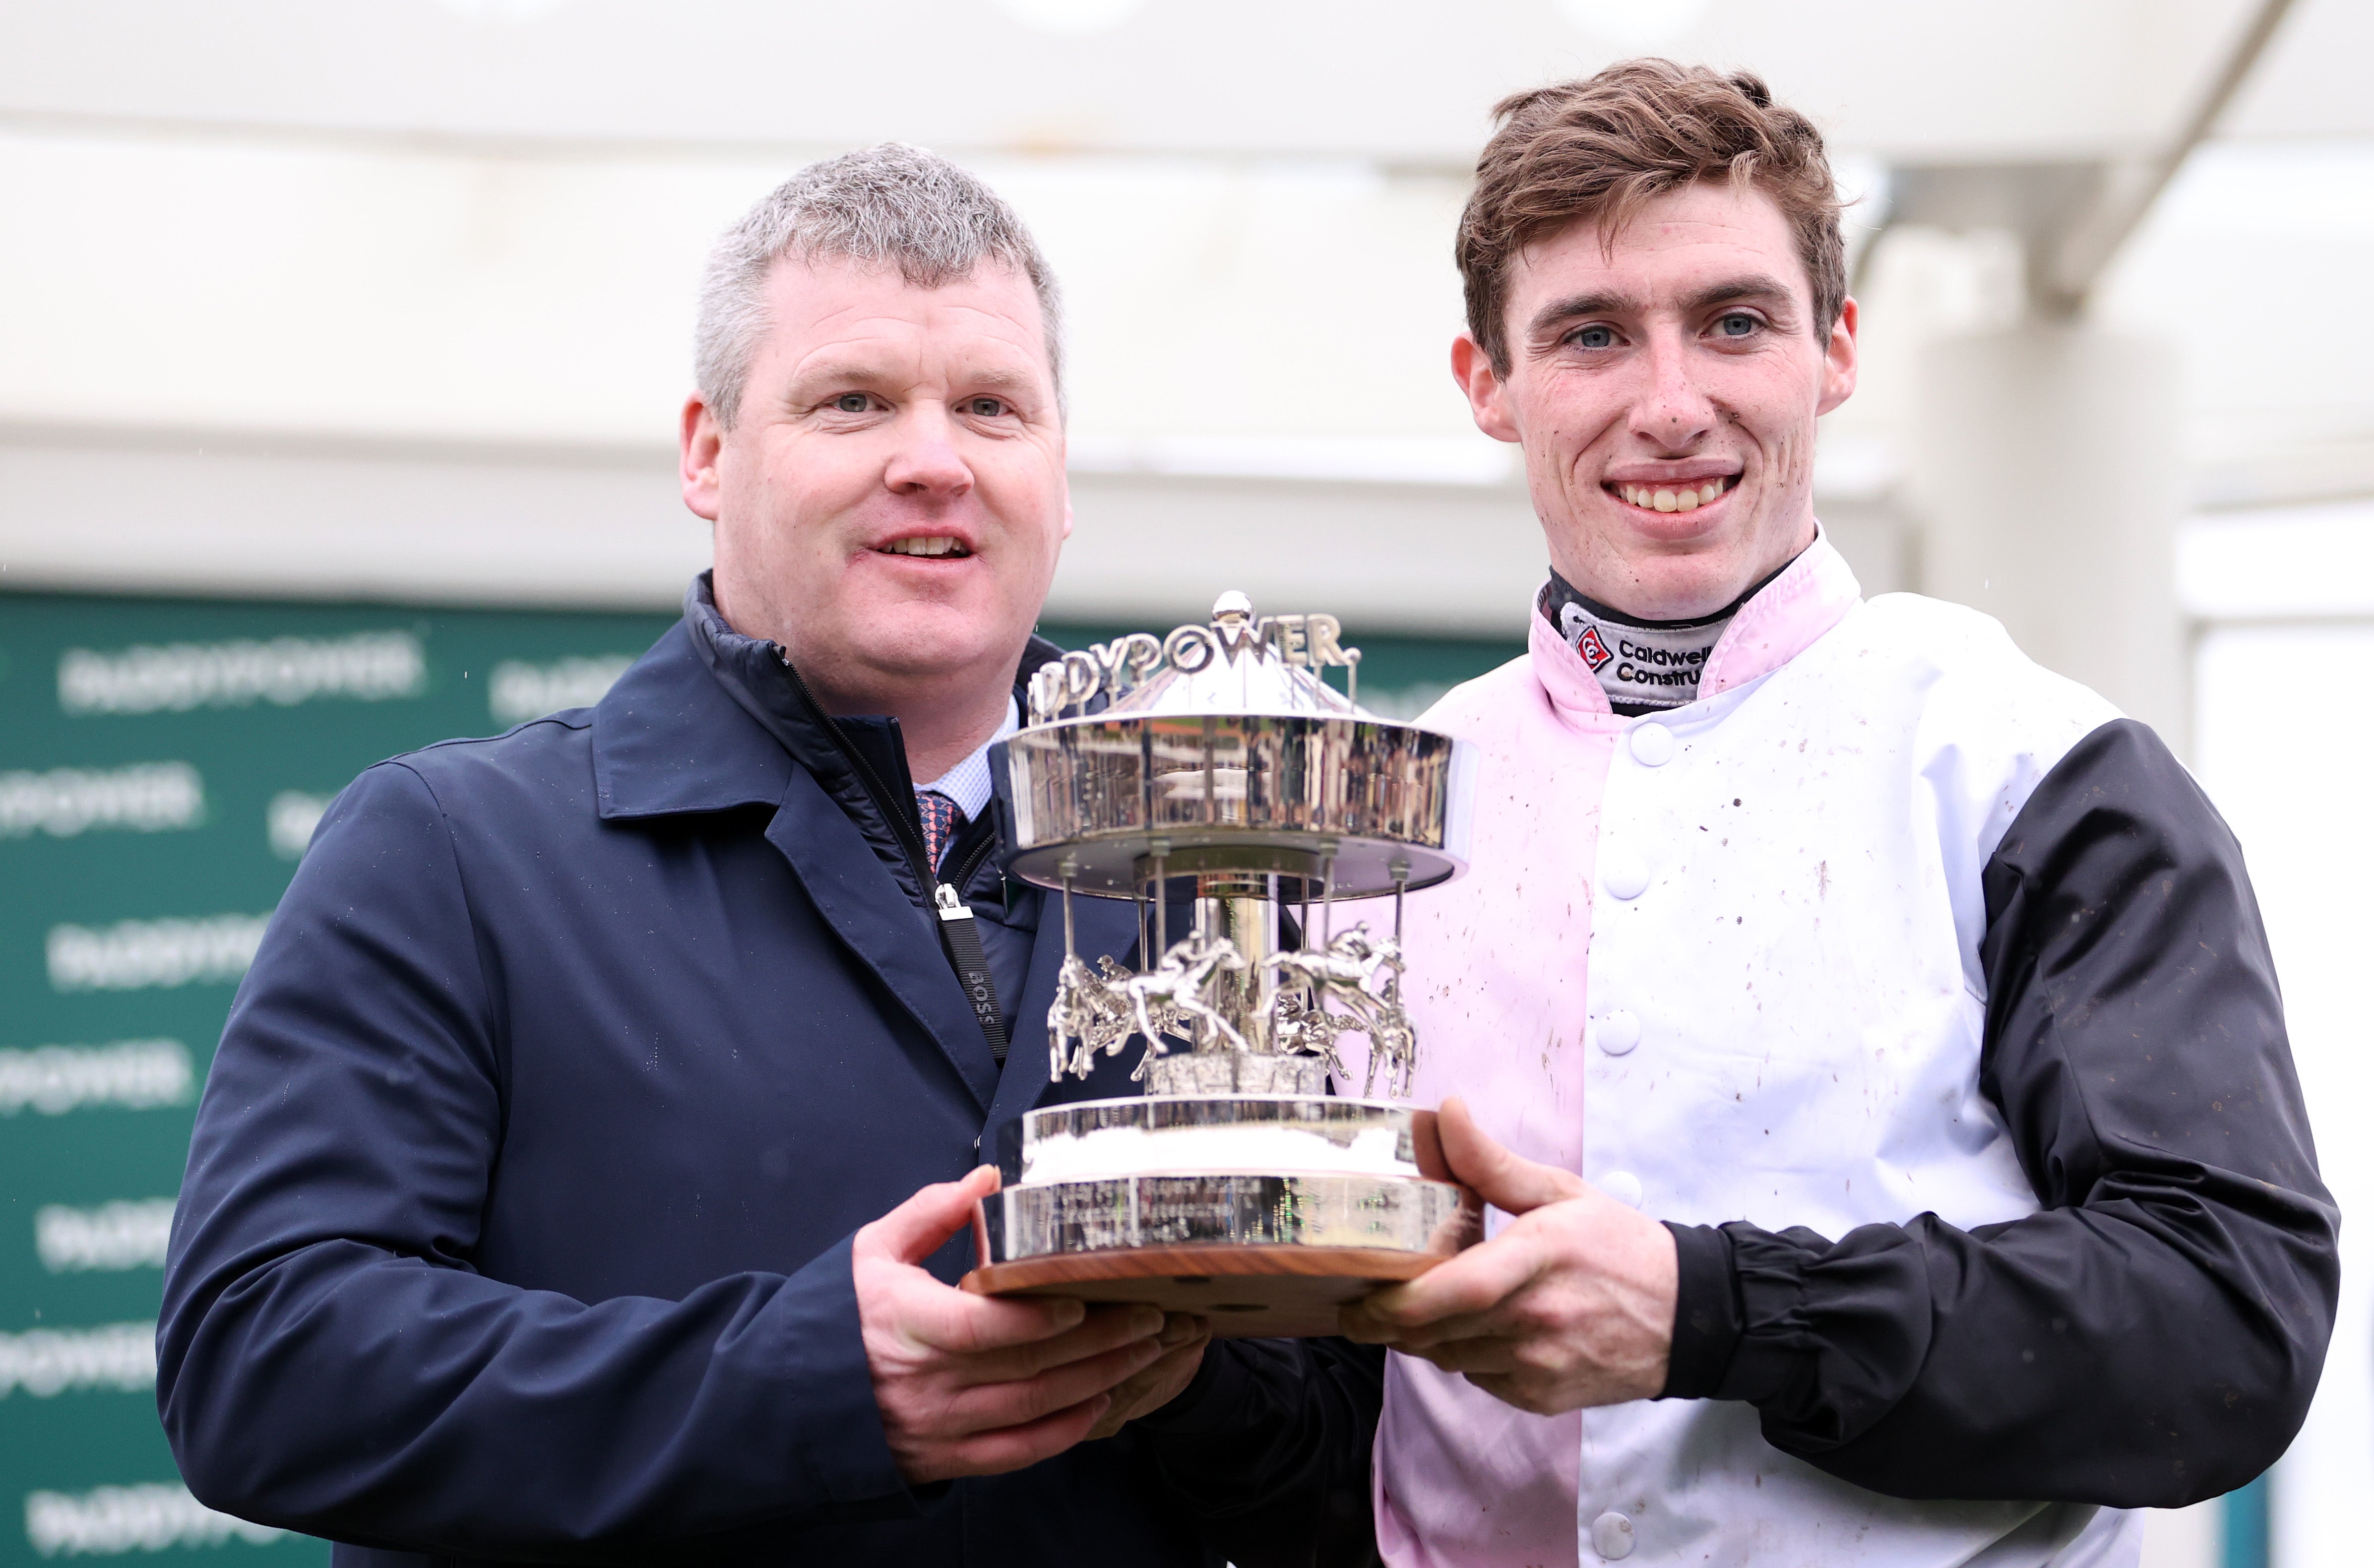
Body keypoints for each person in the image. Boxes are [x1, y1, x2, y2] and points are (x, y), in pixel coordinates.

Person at [158, 144, 1377, 1567]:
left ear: (1058, 473)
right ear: (707, 451)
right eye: (851, 401)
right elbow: (264, 1365)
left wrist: (1199, 1373)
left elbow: (1356, 1465)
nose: (932, 457)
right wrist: (811, 1379)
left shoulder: (1221, 886)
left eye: (992, 407)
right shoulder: (453, 852)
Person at [1335, 62, 2339, 1566]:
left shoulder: (2033, 766)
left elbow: (2225, 1320)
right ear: (1489, 385)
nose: (1669, 404)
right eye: (1592, 335)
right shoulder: (1379, 812)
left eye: (1733, 321)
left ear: (1837, 350)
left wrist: (1715, 1314)